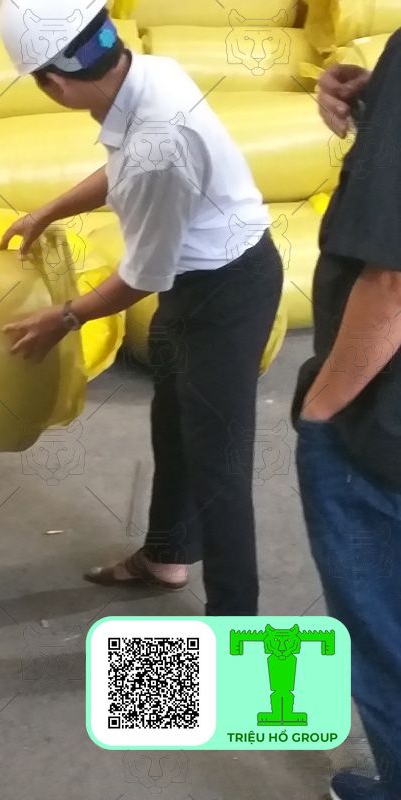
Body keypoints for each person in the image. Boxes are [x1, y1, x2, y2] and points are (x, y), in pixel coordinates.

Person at [0, 1, 283, 616]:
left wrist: (64, 317)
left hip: (228, 291)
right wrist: (50, 210)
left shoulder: (159, 135)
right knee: (173, 422)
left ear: (53, 85)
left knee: (219, 468)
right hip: (198, 280)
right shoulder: (145, 73)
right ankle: (166, 556)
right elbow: (122, 169)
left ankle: (236, 634)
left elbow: (144, 275)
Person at [295, 44, 401, 800]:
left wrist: (322, 410)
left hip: (381, 429)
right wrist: (380, 103)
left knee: (382, 633)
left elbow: (392, 280)